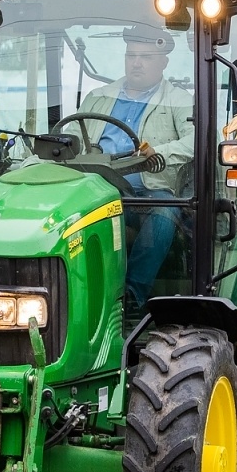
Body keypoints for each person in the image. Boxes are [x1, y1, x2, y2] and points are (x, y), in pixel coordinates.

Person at [77, 26, 195, 308]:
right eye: (131, 56)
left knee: (166, 212)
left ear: (163, 62)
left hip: (149, 192)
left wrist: (159, 153)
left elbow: (199, 140)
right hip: (96, 188)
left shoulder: (178, 101)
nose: (136, 63)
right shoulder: (100, 96)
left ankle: (132, 294)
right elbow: (73, 138)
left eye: (145, 57)